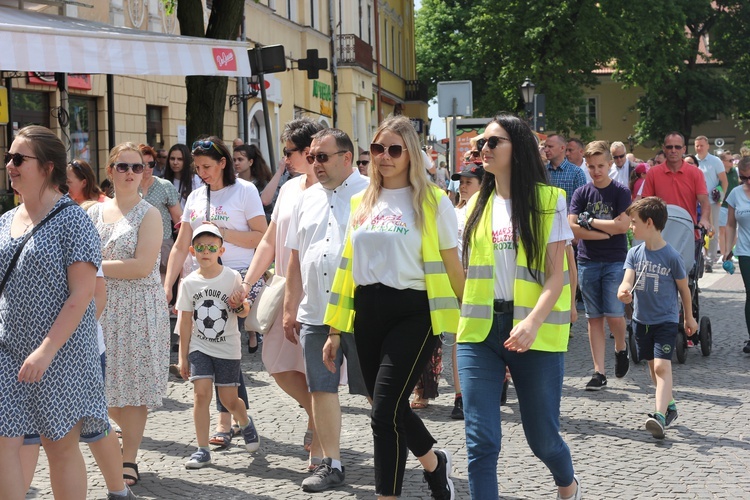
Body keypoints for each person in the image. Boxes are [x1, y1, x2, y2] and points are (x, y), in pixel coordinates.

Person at [324, 115, 464, 500]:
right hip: (368, 312)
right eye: (377, 148)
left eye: (394, 149)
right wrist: (335, 330)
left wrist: (474, 318)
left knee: (383, 414)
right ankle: (436, 465)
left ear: (410, 155)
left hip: (414, 312)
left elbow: (453, 266)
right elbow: (347, 269)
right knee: (391, 406)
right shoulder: (361, 200)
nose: (384, 157)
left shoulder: (434, 202)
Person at [457, 114, 579, 499]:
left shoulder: (549, 201)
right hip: (479, 332)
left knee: (542, 438)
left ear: (519, 147)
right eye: (482, 144)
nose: (484, 150)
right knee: (481, 440)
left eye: (494, 142)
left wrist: (531, 323)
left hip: (534, 332)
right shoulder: (474, 205)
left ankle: (568, 483)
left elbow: (555, 277)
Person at [0, 126, 109, 499]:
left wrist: (45, 351)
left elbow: (82, 295)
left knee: (59, 445)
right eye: (8, 158)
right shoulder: (5, 221)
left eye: (19, 159)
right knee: (3, 444)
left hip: (60, 353)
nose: (9, 165)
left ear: (47, 167)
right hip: (8, 350)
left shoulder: (73, 220)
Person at [164, 136, 267, 450]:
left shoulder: (245, 191)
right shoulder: (195, 197)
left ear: (223, 163)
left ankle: (226, 420)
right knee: (219, 349)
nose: (202, 172)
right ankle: (238, 416)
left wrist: (222, 233)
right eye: (198, 167)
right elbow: (182, 245)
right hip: (202, 282)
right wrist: (167, 284)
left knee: (223, 344)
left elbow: (262, 237)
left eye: (207, 166)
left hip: (237, 279)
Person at [282, 128, 370, 493]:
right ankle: (330, 462)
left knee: (376, 390)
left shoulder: (370, 192)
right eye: (312, 157)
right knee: (321, 387)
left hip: (362, 310)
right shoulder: (305, 198)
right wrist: (290, 306)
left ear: (346, 158)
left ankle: (407, 451)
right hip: (316, 310)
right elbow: (296, 254)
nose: (314, 164)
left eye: (322, 157)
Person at [240, 117, 324, 467]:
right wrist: (247, 283)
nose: (285, 160)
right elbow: (268, 241)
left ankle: (323, 444)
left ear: (309, 151)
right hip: (287, 288)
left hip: (321, 289)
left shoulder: (338, 186)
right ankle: (317, 414)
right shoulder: (289, 189)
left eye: (289, 152)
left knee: (319, 370)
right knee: (275, 362)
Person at [88, 142, 171, 487]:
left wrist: (90, 267)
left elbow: (141, 266)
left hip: (139, 309)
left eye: (138, 167)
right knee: (102, 385)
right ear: (110, 172)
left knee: (134, 388)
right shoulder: (91, 212)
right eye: (123, 167)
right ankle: (118, 434)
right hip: (99, 306)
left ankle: (129, 459)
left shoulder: (149, 213)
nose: (131, 173)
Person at [177, 224, 259, 468]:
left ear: (221, 250)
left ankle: (244, 421)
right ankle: (202, 449)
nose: (206, 252)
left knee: (230, 400)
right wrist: (183, 357)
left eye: (211, 247)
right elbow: (184, 321)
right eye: (200, 247)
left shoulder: (232, 277)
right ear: (192, 251)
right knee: (201, 395)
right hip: (199, 347)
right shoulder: (188, 283)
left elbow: (243, 311)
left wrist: (240, 305)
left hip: (227, 347)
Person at [618, 197, 697, 439]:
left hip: (666, 320)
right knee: (653, 370)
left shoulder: (672, 256)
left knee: (662, 367)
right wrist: (623, 290)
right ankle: (670, 406)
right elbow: (628, 279)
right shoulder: (634, 253)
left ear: (649, 223)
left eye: (634, 223)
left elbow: (684, 290)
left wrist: (689, 318)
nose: (630, 227)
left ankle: (659, 416)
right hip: (642, 321)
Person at [569, 141, 632, 391]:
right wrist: (604, 232)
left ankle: (621, 347)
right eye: (592, 166)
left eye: (601, 166)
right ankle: (599, 372)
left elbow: (623, 226)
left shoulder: (620, 191)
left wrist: (591, 221)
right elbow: (573, 228)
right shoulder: (582, 193)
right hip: (587, 260)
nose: (596, 171)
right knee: (594, 318)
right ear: (586, 165)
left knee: (615, 314)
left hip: (615, 259)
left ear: (609, 165)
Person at [445, 162, 485, 420]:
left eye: (469, 182)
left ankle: (494, 381)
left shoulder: (488, 212)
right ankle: (461, 396)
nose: (463, 186)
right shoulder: (452, 213)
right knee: (460, 338)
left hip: (485, 282)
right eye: (461, 182)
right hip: (459, 283)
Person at [637, 132, 711, 239]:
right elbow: (646, 203)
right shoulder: (653, 173)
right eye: (669, 147)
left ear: (684, 149)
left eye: (677, 147)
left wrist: (704, 219)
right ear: (664, 148)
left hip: (688, 233)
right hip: (660, 234)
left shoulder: (696, 173)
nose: (673, 150)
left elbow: (704, 201)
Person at [138, 144, 182, 282]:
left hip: (162, 244)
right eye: (142, 165)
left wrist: (182, 248)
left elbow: (179, 220)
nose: (147, 168)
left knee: (161, 288)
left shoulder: (165, 186)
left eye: (151, 164)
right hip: (136, 243)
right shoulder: (128, 188)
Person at [724, 156, 750, 353]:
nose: (748, 182)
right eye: (743, 178)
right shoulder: (735, 193)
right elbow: (731, 225)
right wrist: (727, 250)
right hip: (745, 251)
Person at [694, 136, 728, 272]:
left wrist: (720, 199)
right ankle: (699, 257)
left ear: (708, 146)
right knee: (696, 229)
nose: (699, 148)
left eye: (701, 145)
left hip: (712, 202)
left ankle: (710, 260)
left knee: (712, 231)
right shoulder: (692, 161)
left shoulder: (715, 161)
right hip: (695, 201)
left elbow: (724, 182)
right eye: (697, 146)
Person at [233, 144, 279, 223]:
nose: (236, 163)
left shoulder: (262, 184)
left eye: (240, 159)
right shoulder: (231, 182)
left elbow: (269, 213)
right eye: (234, 160)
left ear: (250, 162)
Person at [165, 143, 202, 209]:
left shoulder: (196, 181)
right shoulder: (163, 181)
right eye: (172, 158)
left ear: (186, 160)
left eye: (180, 159)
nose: (175, 162)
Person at [719, 151, 739, 261]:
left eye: (733, 160)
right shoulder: (719, 173)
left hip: (734, 205)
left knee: (733, 229)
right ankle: (723, 254)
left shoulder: (735, 172)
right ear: (723, 162)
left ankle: (731, 254)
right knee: (722, 230)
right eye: (730, 160)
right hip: (722, 204)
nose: (732, 162)